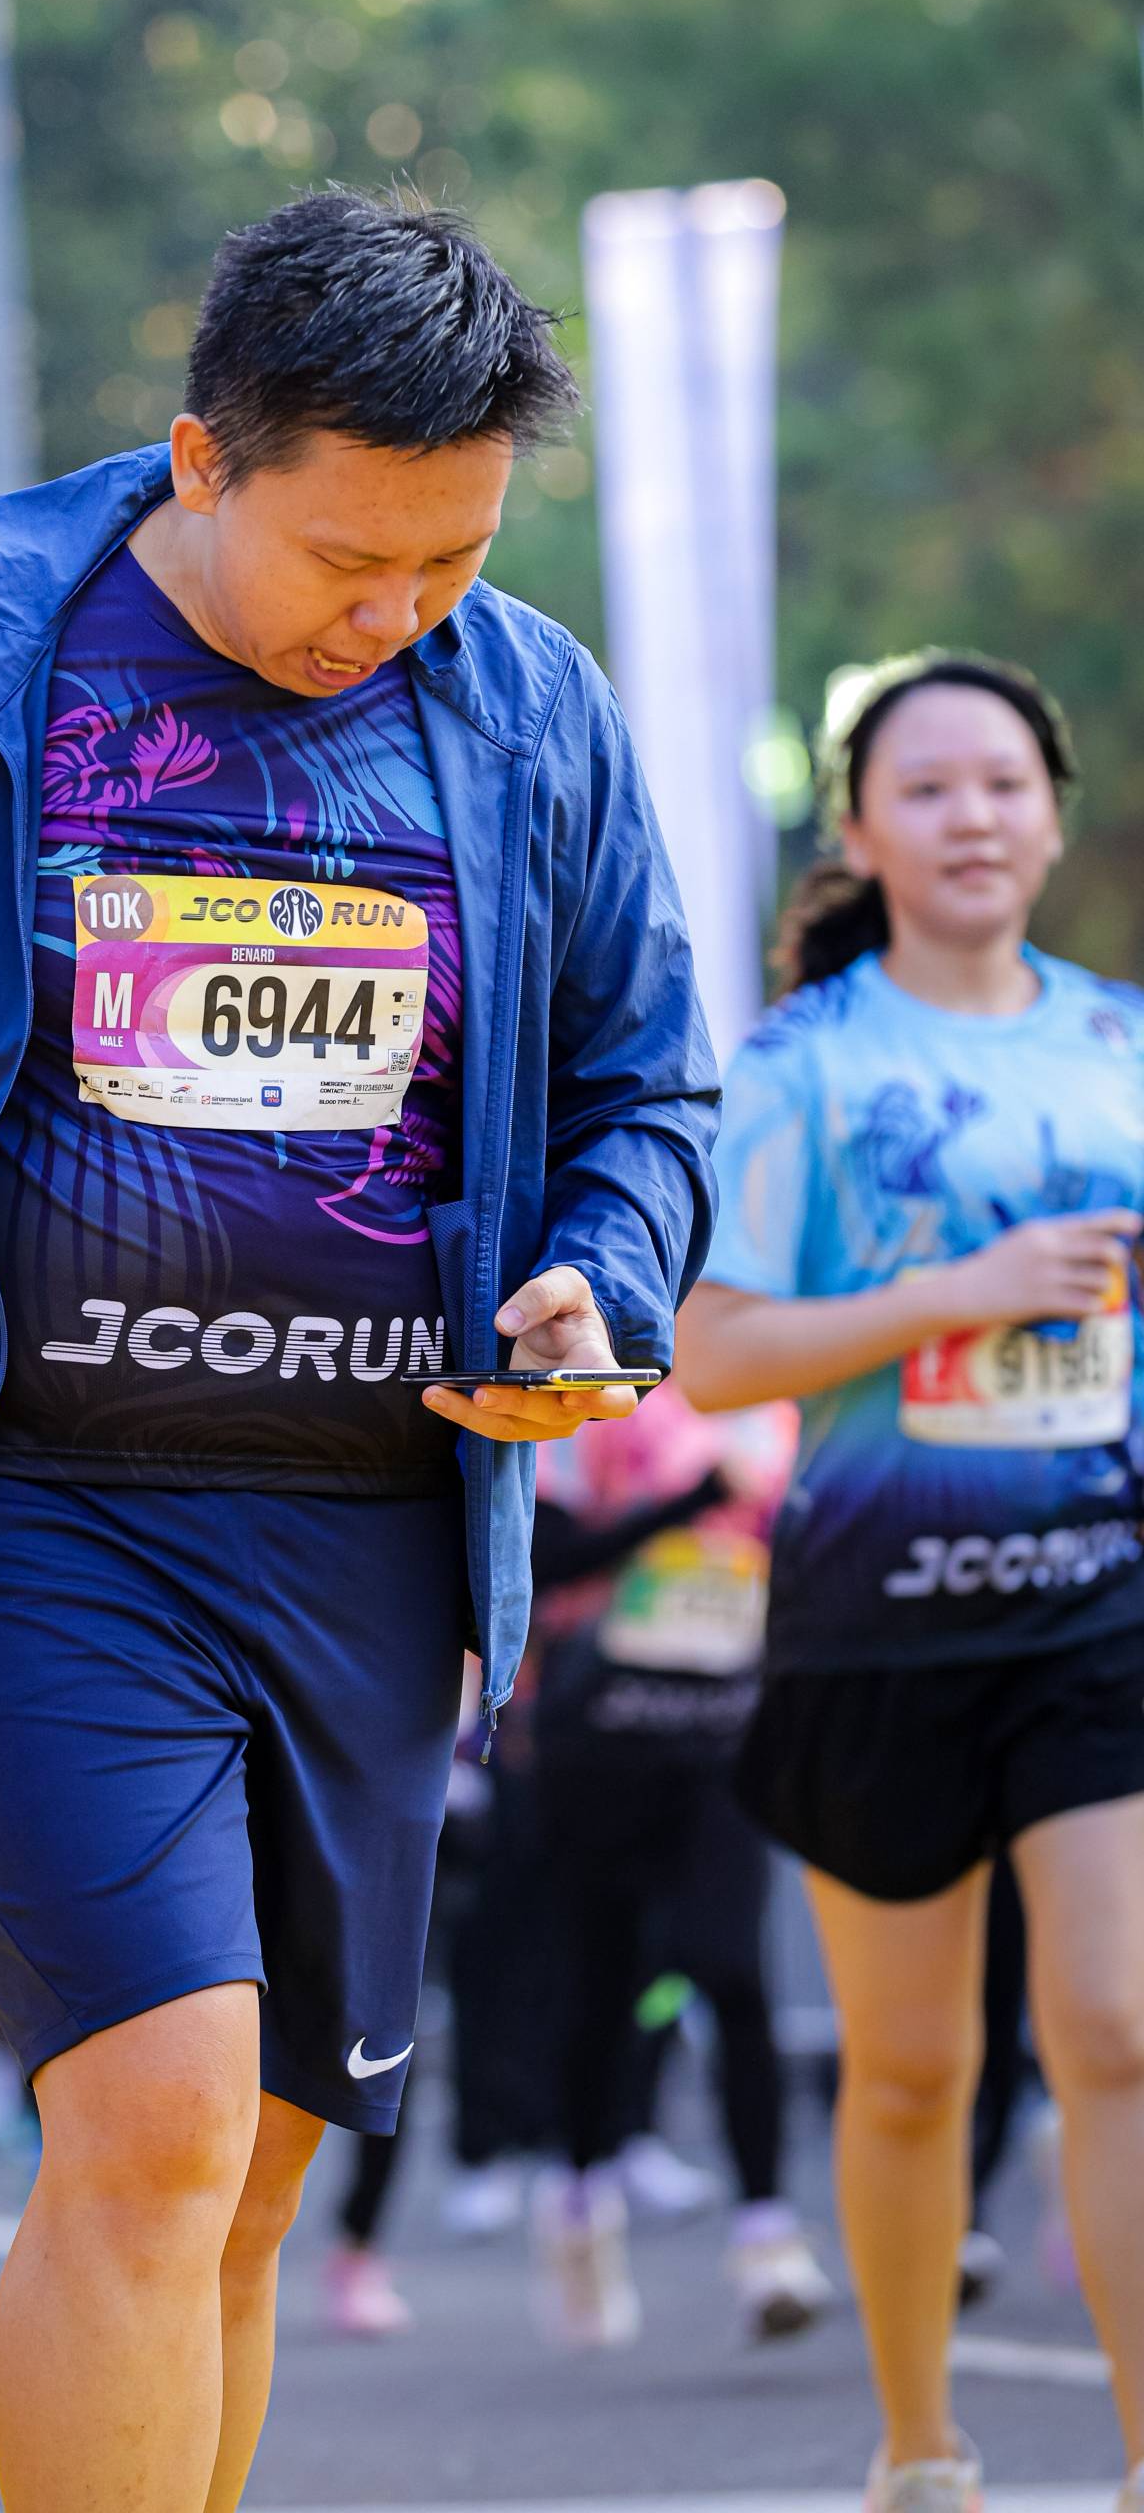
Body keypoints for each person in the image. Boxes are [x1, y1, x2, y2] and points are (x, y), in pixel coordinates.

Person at [0, 186, 718, 2513]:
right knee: (160, 2117)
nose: (393, 615)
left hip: (373, 1539)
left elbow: (644, 1083)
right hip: (27, 1514)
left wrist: (604, 1276)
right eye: (345, 559)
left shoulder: (528, 710)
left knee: (251, 2176)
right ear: (201, 458)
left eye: (453, 559)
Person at [679, 649, 1144, 2513]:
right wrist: (957, 1295)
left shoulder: (1119, 1044)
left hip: (1099, 1606)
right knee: (907, 2071)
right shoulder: (802, 1063)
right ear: (861, 832)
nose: (973, 818)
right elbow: (713, 1356)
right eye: (929, 789)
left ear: (1053, 816)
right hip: (878, 1624)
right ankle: (918, 2447)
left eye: (1005, 784)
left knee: (1116, 2033)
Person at [524, 1389, 832, 2348]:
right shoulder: (586, 1391)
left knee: (731, 1969)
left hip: (724, 1743)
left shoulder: (775, 1406)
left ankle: (767, 2237)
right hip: (601, 1743)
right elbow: (548, 1560)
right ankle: (581, 2202)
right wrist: (694, 1499)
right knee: (605, 1989)